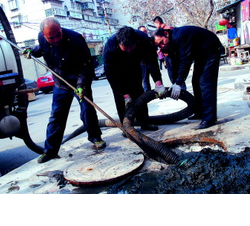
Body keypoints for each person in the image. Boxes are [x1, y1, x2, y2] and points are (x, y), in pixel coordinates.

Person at [24, 17, 105, 163]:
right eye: (51, 37)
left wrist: (81, 86)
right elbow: (41, 49)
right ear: (44, 35)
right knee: (56, 116)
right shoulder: (42, 39)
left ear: (61, 29)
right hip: (60, 82)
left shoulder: (76, 40)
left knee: (87, 110)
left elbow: (86, 67)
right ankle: (50, 151)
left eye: (57, 35)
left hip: (78, 81)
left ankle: (95, 138)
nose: (55, 40)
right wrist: (32, 52)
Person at [154, 26, 224, 130]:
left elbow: (185, 62)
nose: (162, 45)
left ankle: (209, 118)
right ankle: (200, 112)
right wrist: (175, 82)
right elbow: (174, 64)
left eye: (162, 41)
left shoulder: (180, 36)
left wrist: (178, 83)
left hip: (211, 50)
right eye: (159, 45)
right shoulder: (170, 43)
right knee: (195, 82)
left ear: (166, 34)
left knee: (205, 83)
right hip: (200, 54)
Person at [103, 26, 165, 132]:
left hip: (134, 69)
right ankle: (127, 127)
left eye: (130, 47)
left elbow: (151, 61)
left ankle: (144, 122)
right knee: (122, 101)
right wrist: (124, 94)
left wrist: (158, 82)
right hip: (118, 74)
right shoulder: (110, 46)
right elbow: (110, 74)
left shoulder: (143, 39)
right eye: (125, 49)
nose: (128, 51)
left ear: (135, 41)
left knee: (139, 95)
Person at [153, 17, 186, 90]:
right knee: (171, 74)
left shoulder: (168, 30)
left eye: (155, 24)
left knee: (177, 71)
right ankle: (176, 86)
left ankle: (181, 88)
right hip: (167, 56)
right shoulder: (159, 33)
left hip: (172, 55)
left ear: (158, 23)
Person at [138, 25, 151, 92]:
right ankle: (147, 92)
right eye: (143, 31)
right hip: (143, 63)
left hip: (151, 62)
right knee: (145, 79)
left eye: (146, 31)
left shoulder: (149, 40)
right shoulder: (137, 42)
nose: (145, 33)